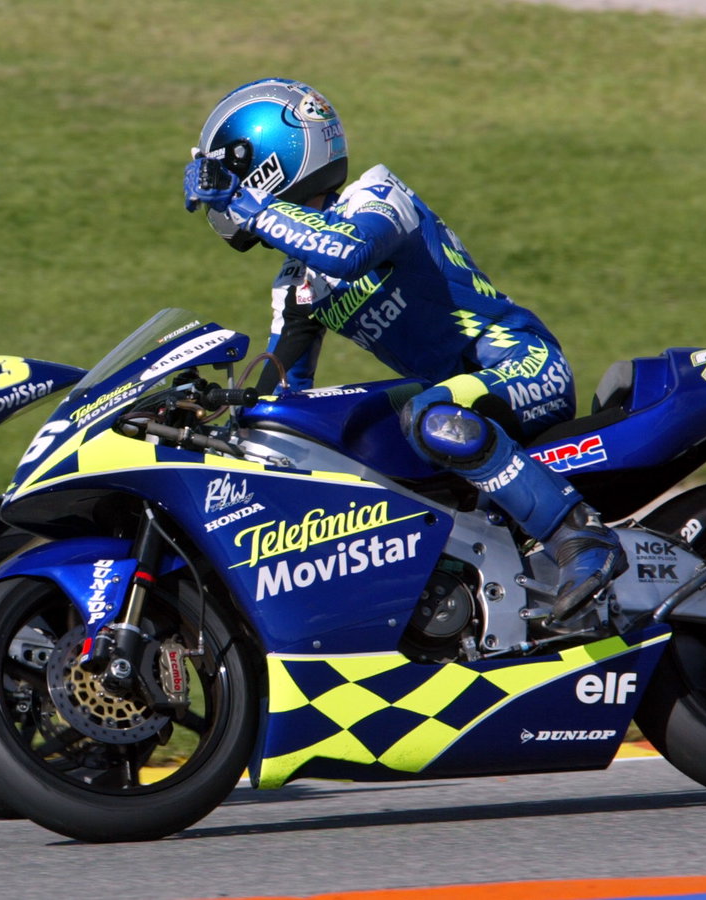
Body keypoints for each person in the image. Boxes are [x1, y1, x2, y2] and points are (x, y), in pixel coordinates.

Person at [182, 78, 624, 627]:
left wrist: (248, 206)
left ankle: (583, 536)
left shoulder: (378, 196)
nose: (217, 196)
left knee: (430, 416)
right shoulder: (296, 285)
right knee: (356, 434)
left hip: (522, 365)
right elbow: (280, 398)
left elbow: (348, 251)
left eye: (225, 175)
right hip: (453, 402)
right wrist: (206, 421)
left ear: (265, 165)